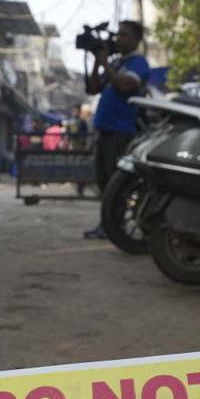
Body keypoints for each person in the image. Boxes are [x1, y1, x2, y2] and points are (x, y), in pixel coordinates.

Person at [83, 20, 150, 239]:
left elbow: (124, 85)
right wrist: (97, 62)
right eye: (118, 34)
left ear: (137, 40)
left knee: (116, 185)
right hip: (105, 132)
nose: (118, 39)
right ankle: (108, 225)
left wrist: (106, 65)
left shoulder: (139, 63)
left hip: (121, 131)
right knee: (104, 183)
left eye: (124, 35)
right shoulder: (118, 62)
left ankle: (116, 227)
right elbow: (94, 88)